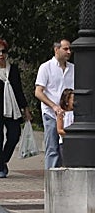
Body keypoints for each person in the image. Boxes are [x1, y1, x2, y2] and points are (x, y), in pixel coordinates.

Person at [0, 38, 30, 178]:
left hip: (12, 108)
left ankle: (3, 159)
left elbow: (18, 90)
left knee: (14, 135)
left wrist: (25, 108)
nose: (1, 55)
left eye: (3, 51)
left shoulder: (13, 70)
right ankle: (0, 168)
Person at [34, 39, 74, 171]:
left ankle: (63, 178)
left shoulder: (73, 69)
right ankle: (50, 181)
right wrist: (53, 106)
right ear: (56, 50)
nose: (69, 52)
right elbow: (38, 92)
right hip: (51, 113)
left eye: (69, 49)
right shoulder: (46, 67)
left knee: (67, 148)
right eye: (66, 49)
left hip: (68, 115)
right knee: (52, 147)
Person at [57, 88, 76, 163]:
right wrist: (69, 134)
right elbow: (59, 129)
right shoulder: (61, 114)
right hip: (65, 142)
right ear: (67, 101)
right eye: (73, 99)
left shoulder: (76, 113)